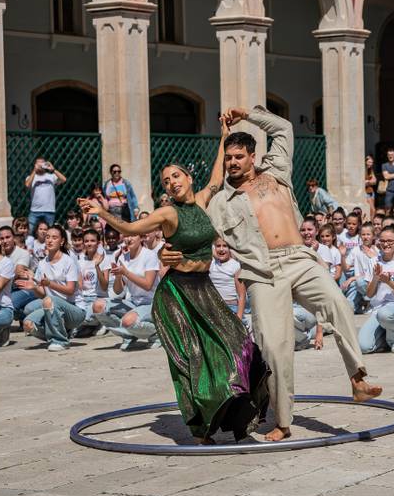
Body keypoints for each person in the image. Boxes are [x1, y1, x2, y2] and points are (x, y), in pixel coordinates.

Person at [160, 105, 380, 443]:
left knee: (338, 302)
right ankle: (282, 420)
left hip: (300, 259)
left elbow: (284, 129)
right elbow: (191, 229)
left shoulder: (276, 172)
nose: (232, 162)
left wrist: (246, 115)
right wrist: (167, 250)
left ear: (252, 156)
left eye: (238, 156)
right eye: (228, 157)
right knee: (275, 346)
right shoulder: (221, 202)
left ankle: (358, 379)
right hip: (262, 272)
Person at [79, 119, 269, 444]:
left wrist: (224, 134)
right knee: (193, 361)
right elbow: (128, 229)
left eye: (176, 176)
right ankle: (200, 430)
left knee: (240, 344)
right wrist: (102, 212)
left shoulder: (207, 199)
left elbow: (218, 173)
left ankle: (237, 414)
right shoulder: (167, 214)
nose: (171, 183)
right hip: (176, 295)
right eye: (166, 181)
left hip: (205, 290)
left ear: (188, 178)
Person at [18, 225, 84, 352]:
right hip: (52, 306)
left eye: (54, 237)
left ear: (62, 241)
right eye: (47, 237)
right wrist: (34, 287)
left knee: (49, 300)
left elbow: (70, 290)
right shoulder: (42, 264)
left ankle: (60, 341)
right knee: (28, 325)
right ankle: (60, 334)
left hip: (75, 309)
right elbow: (42, 294)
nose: (49, 240)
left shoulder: (68, 261)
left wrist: (49, 284)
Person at [358, 224, 394, 353]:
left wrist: (389, 282)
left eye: (390, 241)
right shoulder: (373, 261)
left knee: (385, 313)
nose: (386, 244)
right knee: (364, 347)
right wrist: (376, 278)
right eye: (382, 241)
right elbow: (369, 294)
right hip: (378, 311)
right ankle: (388, 337)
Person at [102, 233, 161, 350]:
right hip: (133, 302)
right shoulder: (123, 258)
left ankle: (157, 333)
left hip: (152, 303)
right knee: (100, 306)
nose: (129, 239)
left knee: (128, 321)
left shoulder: (149, 255)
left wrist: (126, 273)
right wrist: (118, 277)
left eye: (133, 235)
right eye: (126, 235)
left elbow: (148, 285)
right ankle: (129, 335)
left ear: (142, 238)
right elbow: (118, 291)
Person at [209, 237, 247, 323]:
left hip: (231, 307)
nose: (221, 249)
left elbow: (242, 295)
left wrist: (239, 317)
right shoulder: (211, 264)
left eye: (225, 246)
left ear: (230, 248)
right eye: (218, 246)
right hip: (214, 306)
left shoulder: (235, 266)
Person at [25, 158, 67, 231]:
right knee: (30, 231)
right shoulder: (31, 177)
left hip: (49, 210)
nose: (41, 165)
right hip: (35, 211)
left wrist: (53, 170)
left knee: (49, 231)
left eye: (42, 163)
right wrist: (34, 170)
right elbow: (27, 184)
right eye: (38, 163)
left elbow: (64, 179)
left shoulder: (51, 176)